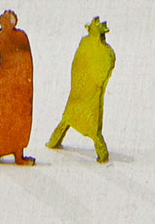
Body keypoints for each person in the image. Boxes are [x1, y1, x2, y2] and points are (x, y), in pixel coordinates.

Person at [48, 17, 114, 162]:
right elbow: (77, 64)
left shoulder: (105, 51)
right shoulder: (87, 44)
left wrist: (94, 83)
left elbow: (103, 71)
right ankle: (54, 141)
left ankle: (102, 154)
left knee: (89, 125)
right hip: (80, 88)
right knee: (69, 117)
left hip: (90, 91)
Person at [0, 10, 35, 163]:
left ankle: (17, 153)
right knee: (4, 118)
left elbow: (25, 58)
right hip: (7, 84)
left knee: (18, 118)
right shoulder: (4, 36)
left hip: (17, 84)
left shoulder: (18, 36)